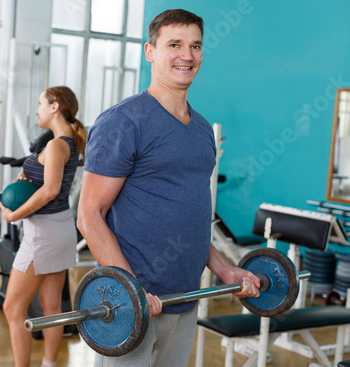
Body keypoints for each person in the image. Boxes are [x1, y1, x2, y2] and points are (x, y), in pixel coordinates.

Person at [76, 9, 261, 367]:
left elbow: (185, 218)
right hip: (135, 306)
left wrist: (224, 269)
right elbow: (89, 215)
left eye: (195, 46)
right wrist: (132, 292)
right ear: (150, 51)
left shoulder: (203, 129)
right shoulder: (123, 122)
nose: (187, 56)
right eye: (174, 44)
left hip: (187, 298)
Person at [0, 86, 87, 367]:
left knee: (13, 308)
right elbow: (45, 185)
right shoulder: (67, 141)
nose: (36, 109)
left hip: (42, 235)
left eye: (40, 103)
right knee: (51, 308)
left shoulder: (56, 144)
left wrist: (14, 216)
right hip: (60, 229)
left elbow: (49, 190)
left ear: (55, 107)